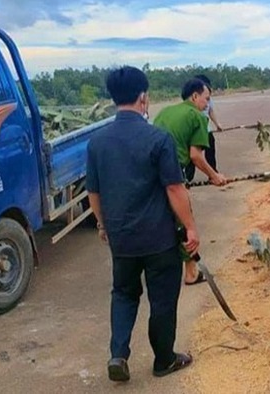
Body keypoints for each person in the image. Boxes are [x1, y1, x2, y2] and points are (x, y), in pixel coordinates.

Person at [86, 66, 199, 382]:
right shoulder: (157, 138)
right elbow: (175, 189)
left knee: (123, 293)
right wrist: (190, 227)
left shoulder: (98, 142)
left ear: (114, 99)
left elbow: (93, 192)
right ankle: (164, 360)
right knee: (162, 298)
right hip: (159, 238)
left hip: (122, 238)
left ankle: (118, 354)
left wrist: (103, 225)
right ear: (143, 97)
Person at [154, 78, 227, 286]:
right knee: (184, 220)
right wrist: (214, 176)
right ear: (195, 96)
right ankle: (191, 273)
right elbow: (195, 155)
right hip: (173, 172)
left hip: (152, 172)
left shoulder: (165, 112)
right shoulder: (197, 117)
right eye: (206, 99)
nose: (207, 104)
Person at [183, 74, 223, 182]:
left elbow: (211, 111)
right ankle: (188, 177)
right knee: (192, 155)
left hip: (206, 129)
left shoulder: (208, 99)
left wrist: (217, 124)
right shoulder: (191, 104)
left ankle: (213, 173)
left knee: (210, 150)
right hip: (195, 129)